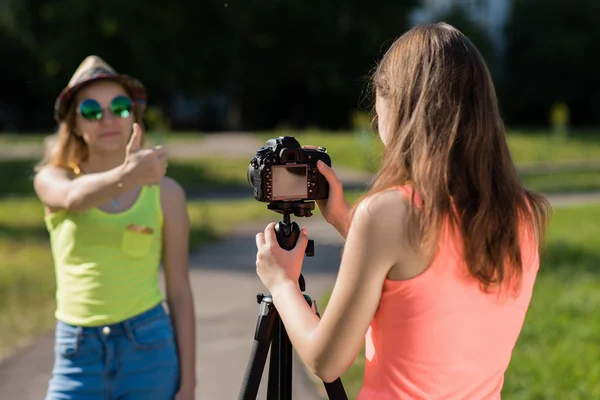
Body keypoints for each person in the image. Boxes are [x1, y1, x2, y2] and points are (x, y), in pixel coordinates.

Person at [254, 23, 552, 399]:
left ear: (398, 103)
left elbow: (324, 360)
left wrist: (281, 283)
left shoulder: (386, 215)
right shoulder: (524, 215)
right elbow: (434, 290)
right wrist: (347, 222)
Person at [34, 55, 196, 400]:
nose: (107, 118)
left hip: (149, 348)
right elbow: (74, 198)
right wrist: (126, 177)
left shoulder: (167, 194)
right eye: (91, 111)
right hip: (77, 354)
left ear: (133, 117)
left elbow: (179, 291)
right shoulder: (52, 178)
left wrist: (189, 382)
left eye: (120, 107)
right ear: (74, 125)